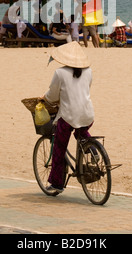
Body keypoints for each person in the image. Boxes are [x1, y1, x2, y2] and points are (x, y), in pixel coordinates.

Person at [39, 41, 94, 192]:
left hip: (69, 116)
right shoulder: (88, 71)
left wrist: (44, 98)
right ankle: (92, 147)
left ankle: (57, 183)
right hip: (88, 114)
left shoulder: (60, 73)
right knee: (81, 130)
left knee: (59, 147)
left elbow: (52, 95)